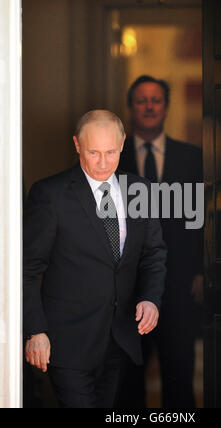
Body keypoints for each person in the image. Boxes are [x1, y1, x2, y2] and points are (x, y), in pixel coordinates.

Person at [23, 110, 167, 409]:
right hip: (65, 342)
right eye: (93, 152)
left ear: (123, 143)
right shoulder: (50, 195)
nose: (102, 163)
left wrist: (151, 298)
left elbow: (154, 254)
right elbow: (25, 268)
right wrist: (36, 330)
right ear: (77, 145)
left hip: (118, 340)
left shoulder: (140, 191)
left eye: (111, 152)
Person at [118, 75, 204, 408]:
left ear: (166, 106)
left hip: (180, 286)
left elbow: (200, 223)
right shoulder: (112, 158)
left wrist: (200, 271)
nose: (149, 106)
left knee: (180, 375)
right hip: (126, 290)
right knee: (127, 378)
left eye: (156, 100)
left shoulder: (192, 157)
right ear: (131, 108)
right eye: (142, 100)